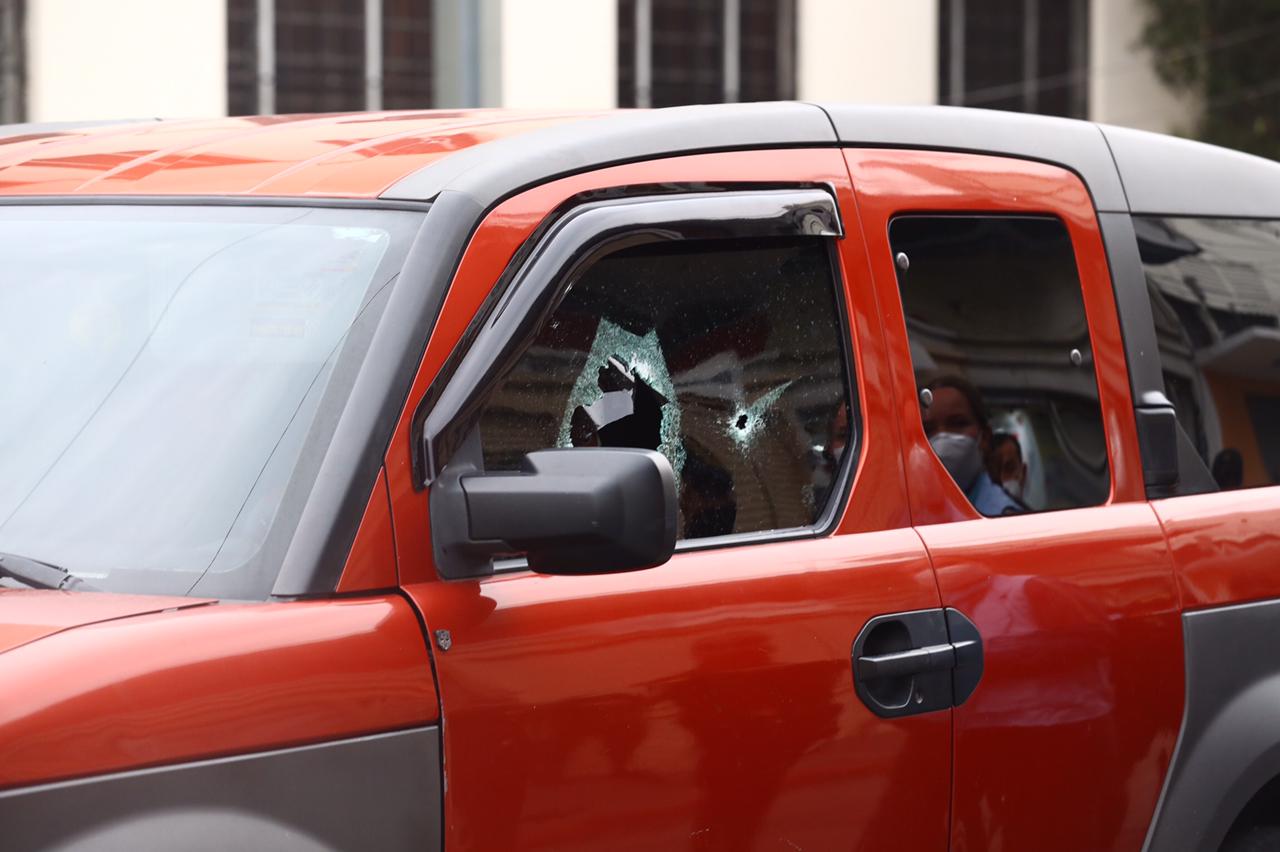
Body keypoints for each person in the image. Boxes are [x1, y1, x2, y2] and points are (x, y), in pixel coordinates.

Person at [922, 375, 1023, 516]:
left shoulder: (1004, 518)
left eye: (958, 423)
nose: (942, 439)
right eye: (927, 429)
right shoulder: (913, 513)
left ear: (985, 438)